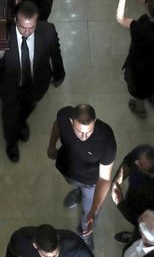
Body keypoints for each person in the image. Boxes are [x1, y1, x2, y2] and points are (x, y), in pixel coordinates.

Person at [0, 1, 65, 162]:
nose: (26, 32)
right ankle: (11, 142)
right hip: (9, 85)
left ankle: (22, 121)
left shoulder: (48, 31)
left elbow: (55, 53)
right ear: (15, 21)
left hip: (35, 84)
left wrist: (59, 74)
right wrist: (0, 55)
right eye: (22, 27)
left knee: (28, 106)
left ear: (37, 22)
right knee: (10, 116)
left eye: (31, 27)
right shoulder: (2, 32)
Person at [48, 104, 117, 248]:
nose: (84, 137)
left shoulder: (106, 140)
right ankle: (78, 191)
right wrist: (51, 144)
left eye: (89, 131)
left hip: (91, 182)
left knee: (89, 214)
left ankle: (85, 235)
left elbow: (104, 178)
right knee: (74, 182)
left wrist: (95, 208)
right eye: (80, 132)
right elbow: (57, 125)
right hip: (68, 170)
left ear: (95, 122)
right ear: (71, 121)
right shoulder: (64, 116)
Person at [6, 224, 94, 257]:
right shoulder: (21, 240)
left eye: (55, 256)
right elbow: (12, 252)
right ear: (35, 245)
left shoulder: (77, 249)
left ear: (58, 238)